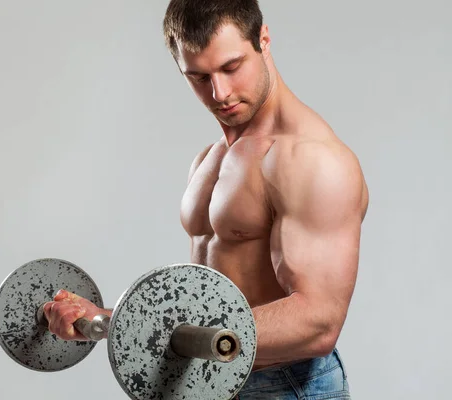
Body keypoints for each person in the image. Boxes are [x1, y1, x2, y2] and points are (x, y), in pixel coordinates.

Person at [44, 0, 369, 398]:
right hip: (205, 378)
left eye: (232, 67)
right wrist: (106, 320)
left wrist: (130, 322)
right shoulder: (210, 158)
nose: (220, 93)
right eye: (198, 77)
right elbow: (204, 306)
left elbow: (319, 322)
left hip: (283, 386)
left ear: (263, 40)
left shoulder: (310, 159)